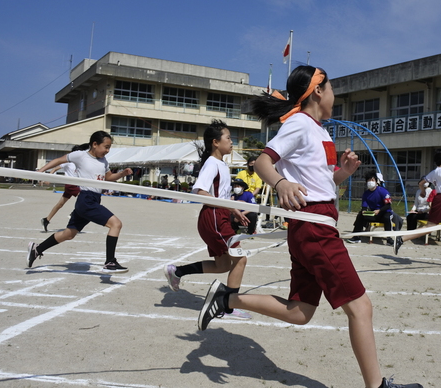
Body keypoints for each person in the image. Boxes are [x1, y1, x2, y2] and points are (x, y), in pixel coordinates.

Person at [196, 66, 423, 388]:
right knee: (360, 306)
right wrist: (281, 183)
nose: (334, 96)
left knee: (299, 312)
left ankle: (227, 300)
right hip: (314, 229)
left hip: (311, 227)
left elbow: (319, 185)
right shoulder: (300, 124)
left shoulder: (320, 130)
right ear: (318, 90)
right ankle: (377, 386)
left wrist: (342, 173)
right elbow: (263, 161)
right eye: (331, 88)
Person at [164, 119, 251, 320]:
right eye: (228, 138)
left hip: (218, 216)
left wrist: (233, 210)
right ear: (215, 142)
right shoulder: (212, 163)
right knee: (240, 259)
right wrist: (227, 207)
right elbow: (200, 191)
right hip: (213, 216)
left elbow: (219, 195)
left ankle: (177, 271)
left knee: (223, 265)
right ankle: (227, 307)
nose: (232, 142)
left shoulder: (220, 164)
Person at [27, 131, 133, 273]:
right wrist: (40, 171)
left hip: (94, 198)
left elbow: (108, 177)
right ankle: (110, 262)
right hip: (86, 199)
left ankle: (37, 249)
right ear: (94, 144)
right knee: (116, 224)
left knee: (69, 234)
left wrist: (122, 174)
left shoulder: (103, 161)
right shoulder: (81, 155)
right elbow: (59, 160)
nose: (107, 151)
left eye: (109, 148)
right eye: (106, 147)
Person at [347, 171, 403, 246]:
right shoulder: (366, 193)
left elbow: (388, 205)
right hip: (373, 214)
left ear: (376, 182)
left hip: (384, 212)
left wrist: (379, 210)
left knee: (387, 217)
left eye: (372, 180)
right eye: (369, 180)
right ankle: (356, 236)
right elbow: (364, 205)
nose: (370, 182)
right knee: (360, 215)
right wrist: (364, 211)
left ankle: (389, 239)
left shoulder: (383, 191)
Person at [41, 144, 84, 232]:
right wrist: (48, 177)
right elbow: (55, 169)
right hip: (70, 184)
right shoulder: (68, 162)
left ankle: (46, 220)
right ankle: (74, 213)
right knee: (84, 197)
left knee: (60, 204)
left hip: (75, 185)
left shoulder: (79, 163)